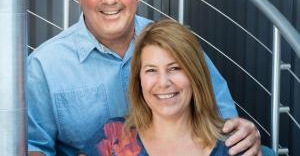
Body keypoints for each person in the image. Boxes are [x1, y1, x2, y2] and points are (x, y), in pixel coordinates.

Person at [27, 0, 261, 156]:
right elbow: (32, 148)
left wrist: (244, 134)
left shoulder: (174, 44)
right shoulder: (44, 66)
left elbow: (223, 119)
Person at [79, 19, 239, 156]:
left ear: (195, 75)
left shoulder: (233, 145)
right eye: (151, 70)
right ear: (139, 81)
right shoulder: (113, 136)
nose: (163, 83)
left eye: (175, 68)